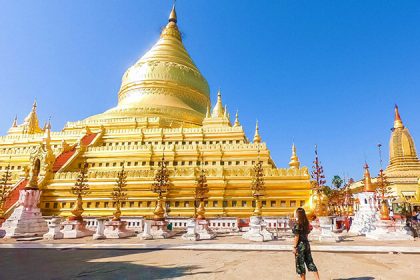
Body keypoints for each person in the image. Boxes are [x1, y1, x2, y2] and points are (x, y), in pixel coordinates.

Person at [292, 208, 320, 280]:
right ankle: (317, 279)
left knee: (300, 264)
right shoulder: (306, 223)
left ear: (298, 214)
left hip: (300, 246)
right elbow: (306, 234)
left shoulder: (298, 224)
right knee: (310, 262)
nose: (294, 214)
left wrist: (294, 247)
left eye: (295, 213)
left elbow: (296, 236)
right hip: (306, 244)